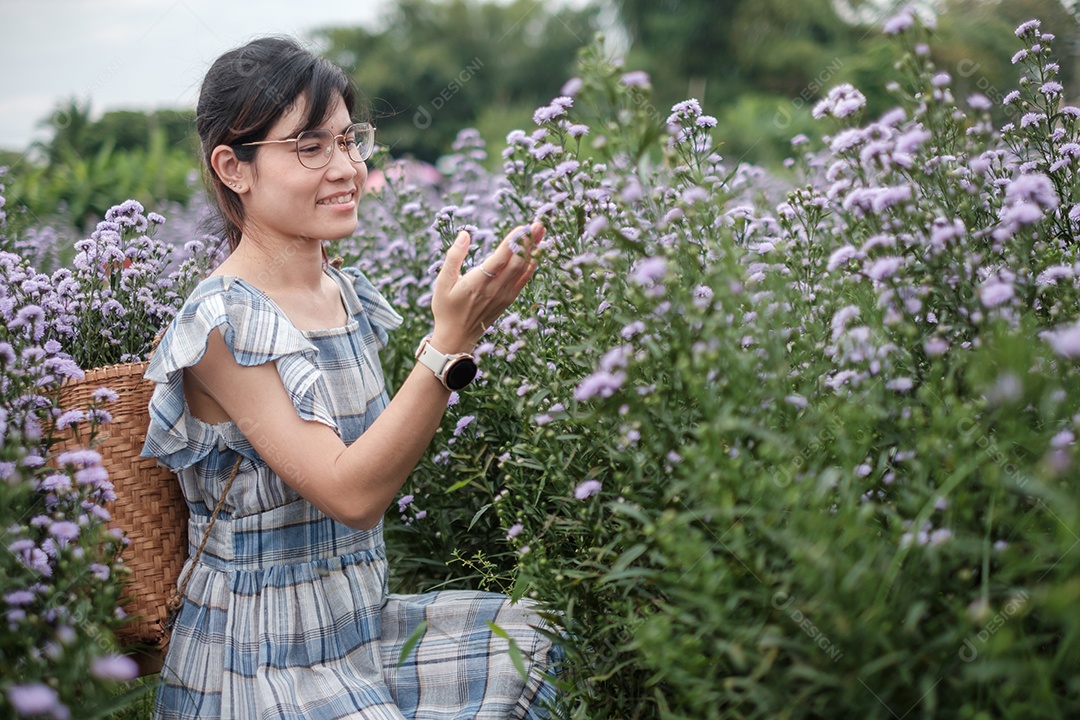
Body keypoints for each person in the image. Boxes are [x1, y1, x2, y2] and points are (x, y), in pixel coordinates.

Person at [141, 36, 558, 719]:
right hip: (264, 657)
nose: (346, 168)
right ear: (233, 168)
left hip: (359, 623)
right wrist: (449, 343)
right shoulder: (223, 320)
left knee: (549, 639)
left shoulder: (343, 292)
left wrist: (458, 338)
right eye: (310, 146)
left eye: (349, 140)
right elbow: (352, 492)